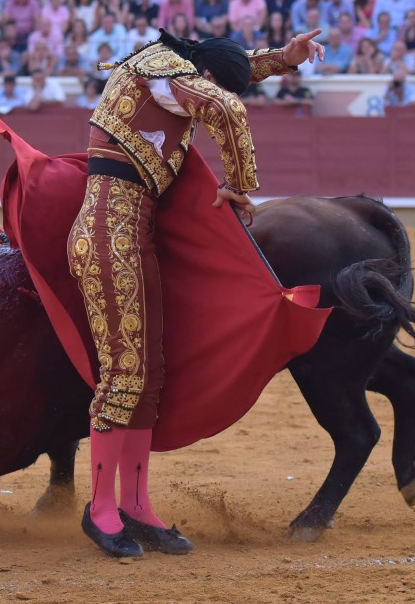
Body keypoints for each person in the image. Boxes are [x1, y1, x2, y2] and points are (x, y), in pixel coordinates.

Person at [67, 28, 324, 558]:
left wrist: (282, 59)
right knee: (125, 374)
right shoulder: (166, 74)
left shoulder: (165, 67)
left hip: (129, 233)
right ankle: (100, 510)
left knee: (150, 375)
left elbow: (221, 67)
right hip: (108, 235)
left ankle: (136, 506)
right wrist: (238, 183)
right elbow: (226, 106)